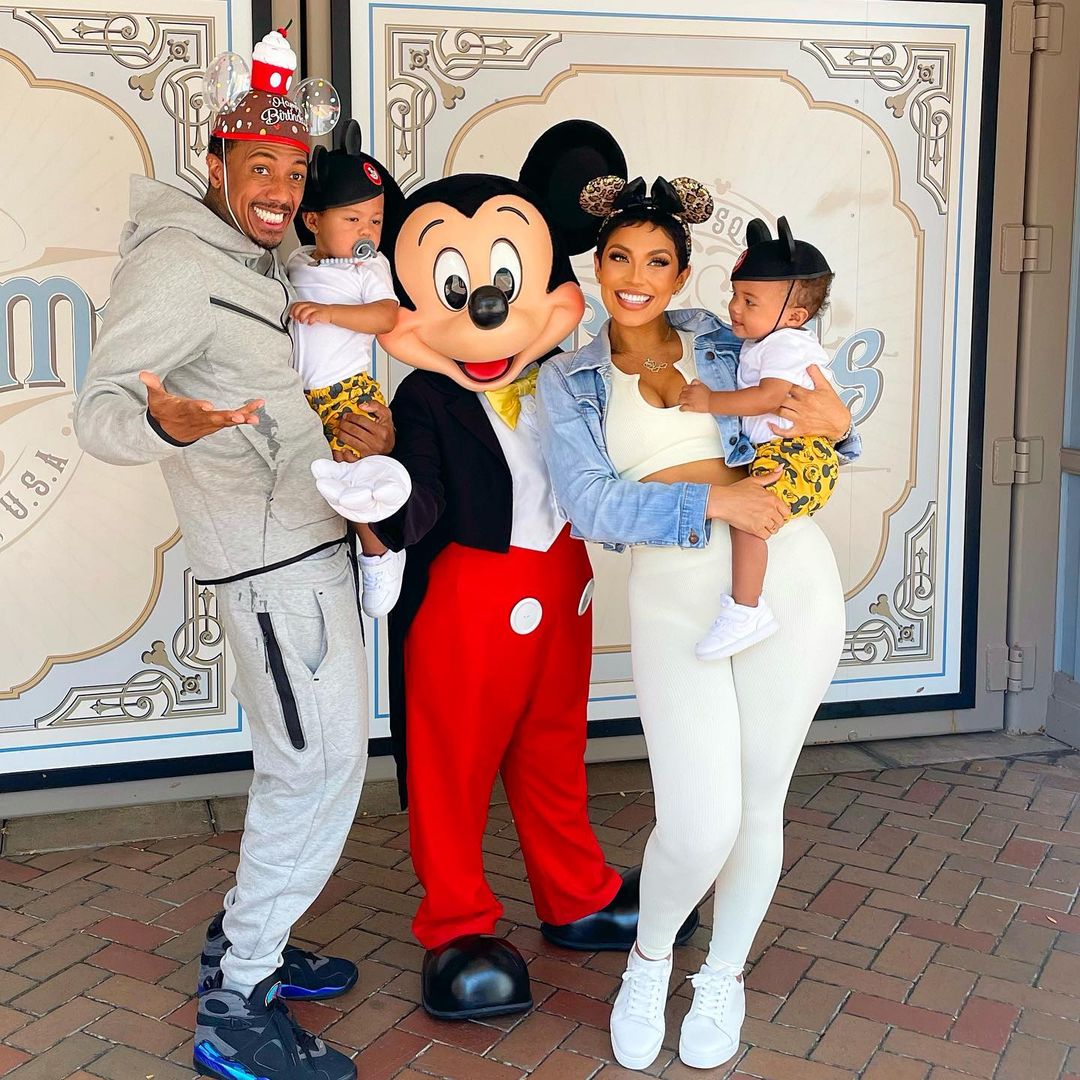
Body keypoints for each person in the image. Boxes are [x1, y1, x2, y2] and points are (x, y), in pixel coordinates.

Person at [73, 28, 401, 1080]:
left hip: (308, 542)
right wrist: (170, 424)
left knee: (305, 763)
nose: (277, 185)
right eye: (258, 166)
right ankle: (239, 1002)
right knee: (319, 767)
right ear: (216, 164)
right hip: (270, 566)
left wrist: (353, 437)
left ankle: (244, 937)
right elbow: (102, 411)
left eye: (293, 169)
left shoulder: (267, 258)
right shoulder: (177, 260)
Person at [330, 121, 697, 1022]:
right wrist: (374, 496)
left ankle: (575, 895)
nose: (488, 311)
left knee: (551, 752)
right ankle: (457, 924)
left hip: (563, 590)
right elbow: (416, 507)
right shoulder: (424, 397)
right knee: (453, 767)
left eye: (506, 282)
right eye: (457, 291)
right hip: (467, 600)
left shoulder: (573, 376)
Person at [537, 172, 859, 1072]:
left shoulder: (727, 338)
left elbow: (820, 427)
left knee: (760, 803)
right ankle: (648, 961)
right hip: (677, 595)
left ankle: (721, 973)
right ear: (597, 266)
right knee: (698, 820)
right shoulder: (571, 378)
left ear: (682, 276)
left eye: (658, 261)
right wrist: (717, 502)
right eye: (619, 259)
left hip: (791, 582)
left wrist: (838, 422)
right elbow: (593, 507)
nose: (636, 276)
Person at [676, 216, 841, 659]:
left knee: (749, 521)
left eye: (750, 301)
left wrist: (712, 401)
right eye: (734, 295)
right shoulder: (763, 343)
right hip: (790, 452)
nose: (734, 307)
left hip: (795, 453)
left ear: (794, 315)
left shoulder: (786, 344)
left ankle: (747, 610)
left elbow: (769, 397)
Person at [287, 119, 408, 617]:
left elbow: (386, 315)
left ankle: (379, 549)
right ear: (313, 220)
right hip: (301, 397)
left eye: (375, 221)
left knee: (354, 472)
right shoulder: (296, 262)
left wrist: (333, 314)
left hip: (347, 392)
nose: (367, 233)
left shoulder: (368, 269)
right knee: (319, 480)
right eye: (353, 220)